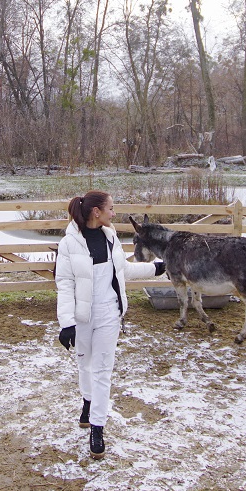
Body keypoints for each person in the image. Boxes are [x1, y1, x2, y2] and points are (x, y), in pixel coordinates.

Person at [55, 190, 165, 459]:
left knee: (103, 370)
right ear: (97, 212)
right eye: (111, 209)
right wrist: (66, 322)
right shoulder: (69, 244)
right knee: (85, 364)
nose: (114, 214)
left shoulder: (111, 237)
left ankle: (97, 426)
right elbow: (65, 284)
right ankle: (87, 401)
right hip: (82, 317)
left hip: (108, 314)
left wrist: (156, 268)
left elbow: (123, 270)